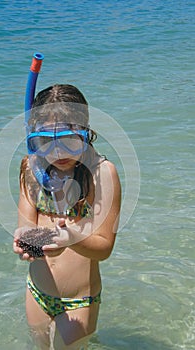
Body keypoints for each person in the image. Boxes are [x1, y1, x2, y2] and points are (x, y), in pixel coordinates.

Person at [13, 84, 121, 349]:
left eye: (68, 139)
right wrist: (25, 243)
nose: (58, 152)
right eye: (46, 141)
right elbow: (25, 227)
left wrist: (73, 237)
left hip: (79, 301)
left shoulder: (102, 174)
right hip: (37, 291)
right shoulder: (31, 168)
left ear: (85, 133)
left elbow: (104, 248)